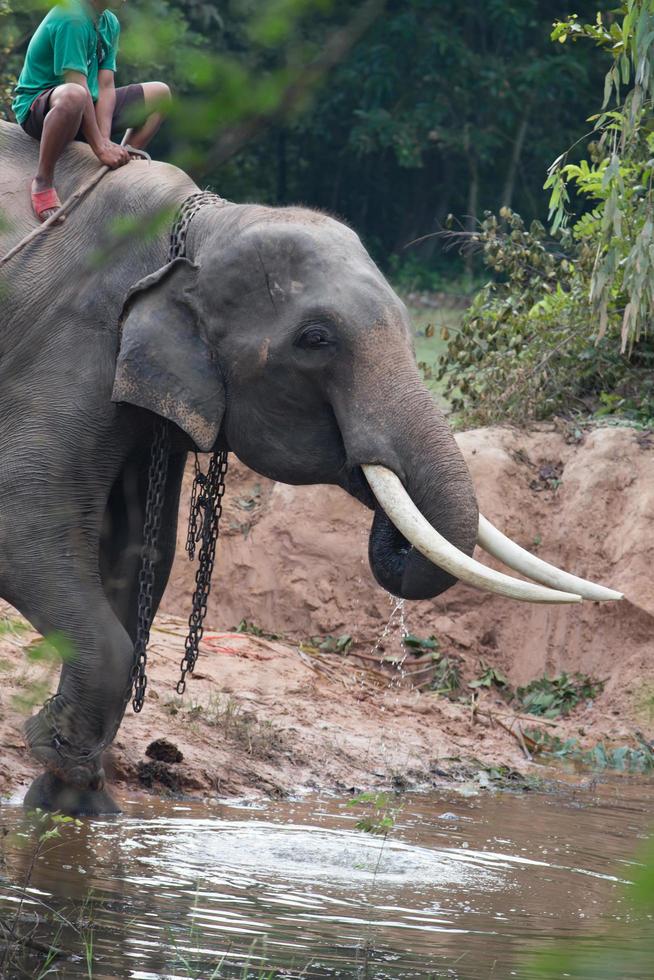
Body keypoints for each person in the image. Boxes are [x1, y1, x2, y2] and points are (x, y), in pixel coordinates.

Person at [12, 0, 171, 223]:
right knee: (74, 94)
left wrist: (105, 140)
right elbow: (77, 84)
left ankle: (127, 161)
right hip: (46, 108)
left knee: (160, 94)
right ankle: (43, 180)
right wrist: (98, 147)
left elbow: (105, 84)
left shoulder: (108, 21)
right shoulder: (72, 17)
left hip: (87, 105)